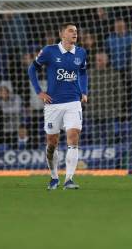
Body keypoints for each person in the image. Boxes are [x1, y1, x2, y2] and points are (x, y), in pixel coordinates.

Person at [28, 23, 88, 190]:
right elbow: (32, 69)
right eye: (71, 30)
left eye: (76, 31)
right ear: (62, 34)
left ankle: (69, 179)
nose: (74, 33)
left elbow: (83, 72)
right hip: (53, 104)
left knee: (73, 136)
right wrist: (39, 92)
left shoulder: (81, 52)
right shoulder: (49, 51)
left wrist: (84, 91)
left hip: (73, 102)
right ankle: (54, 177)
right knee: (52, 142)